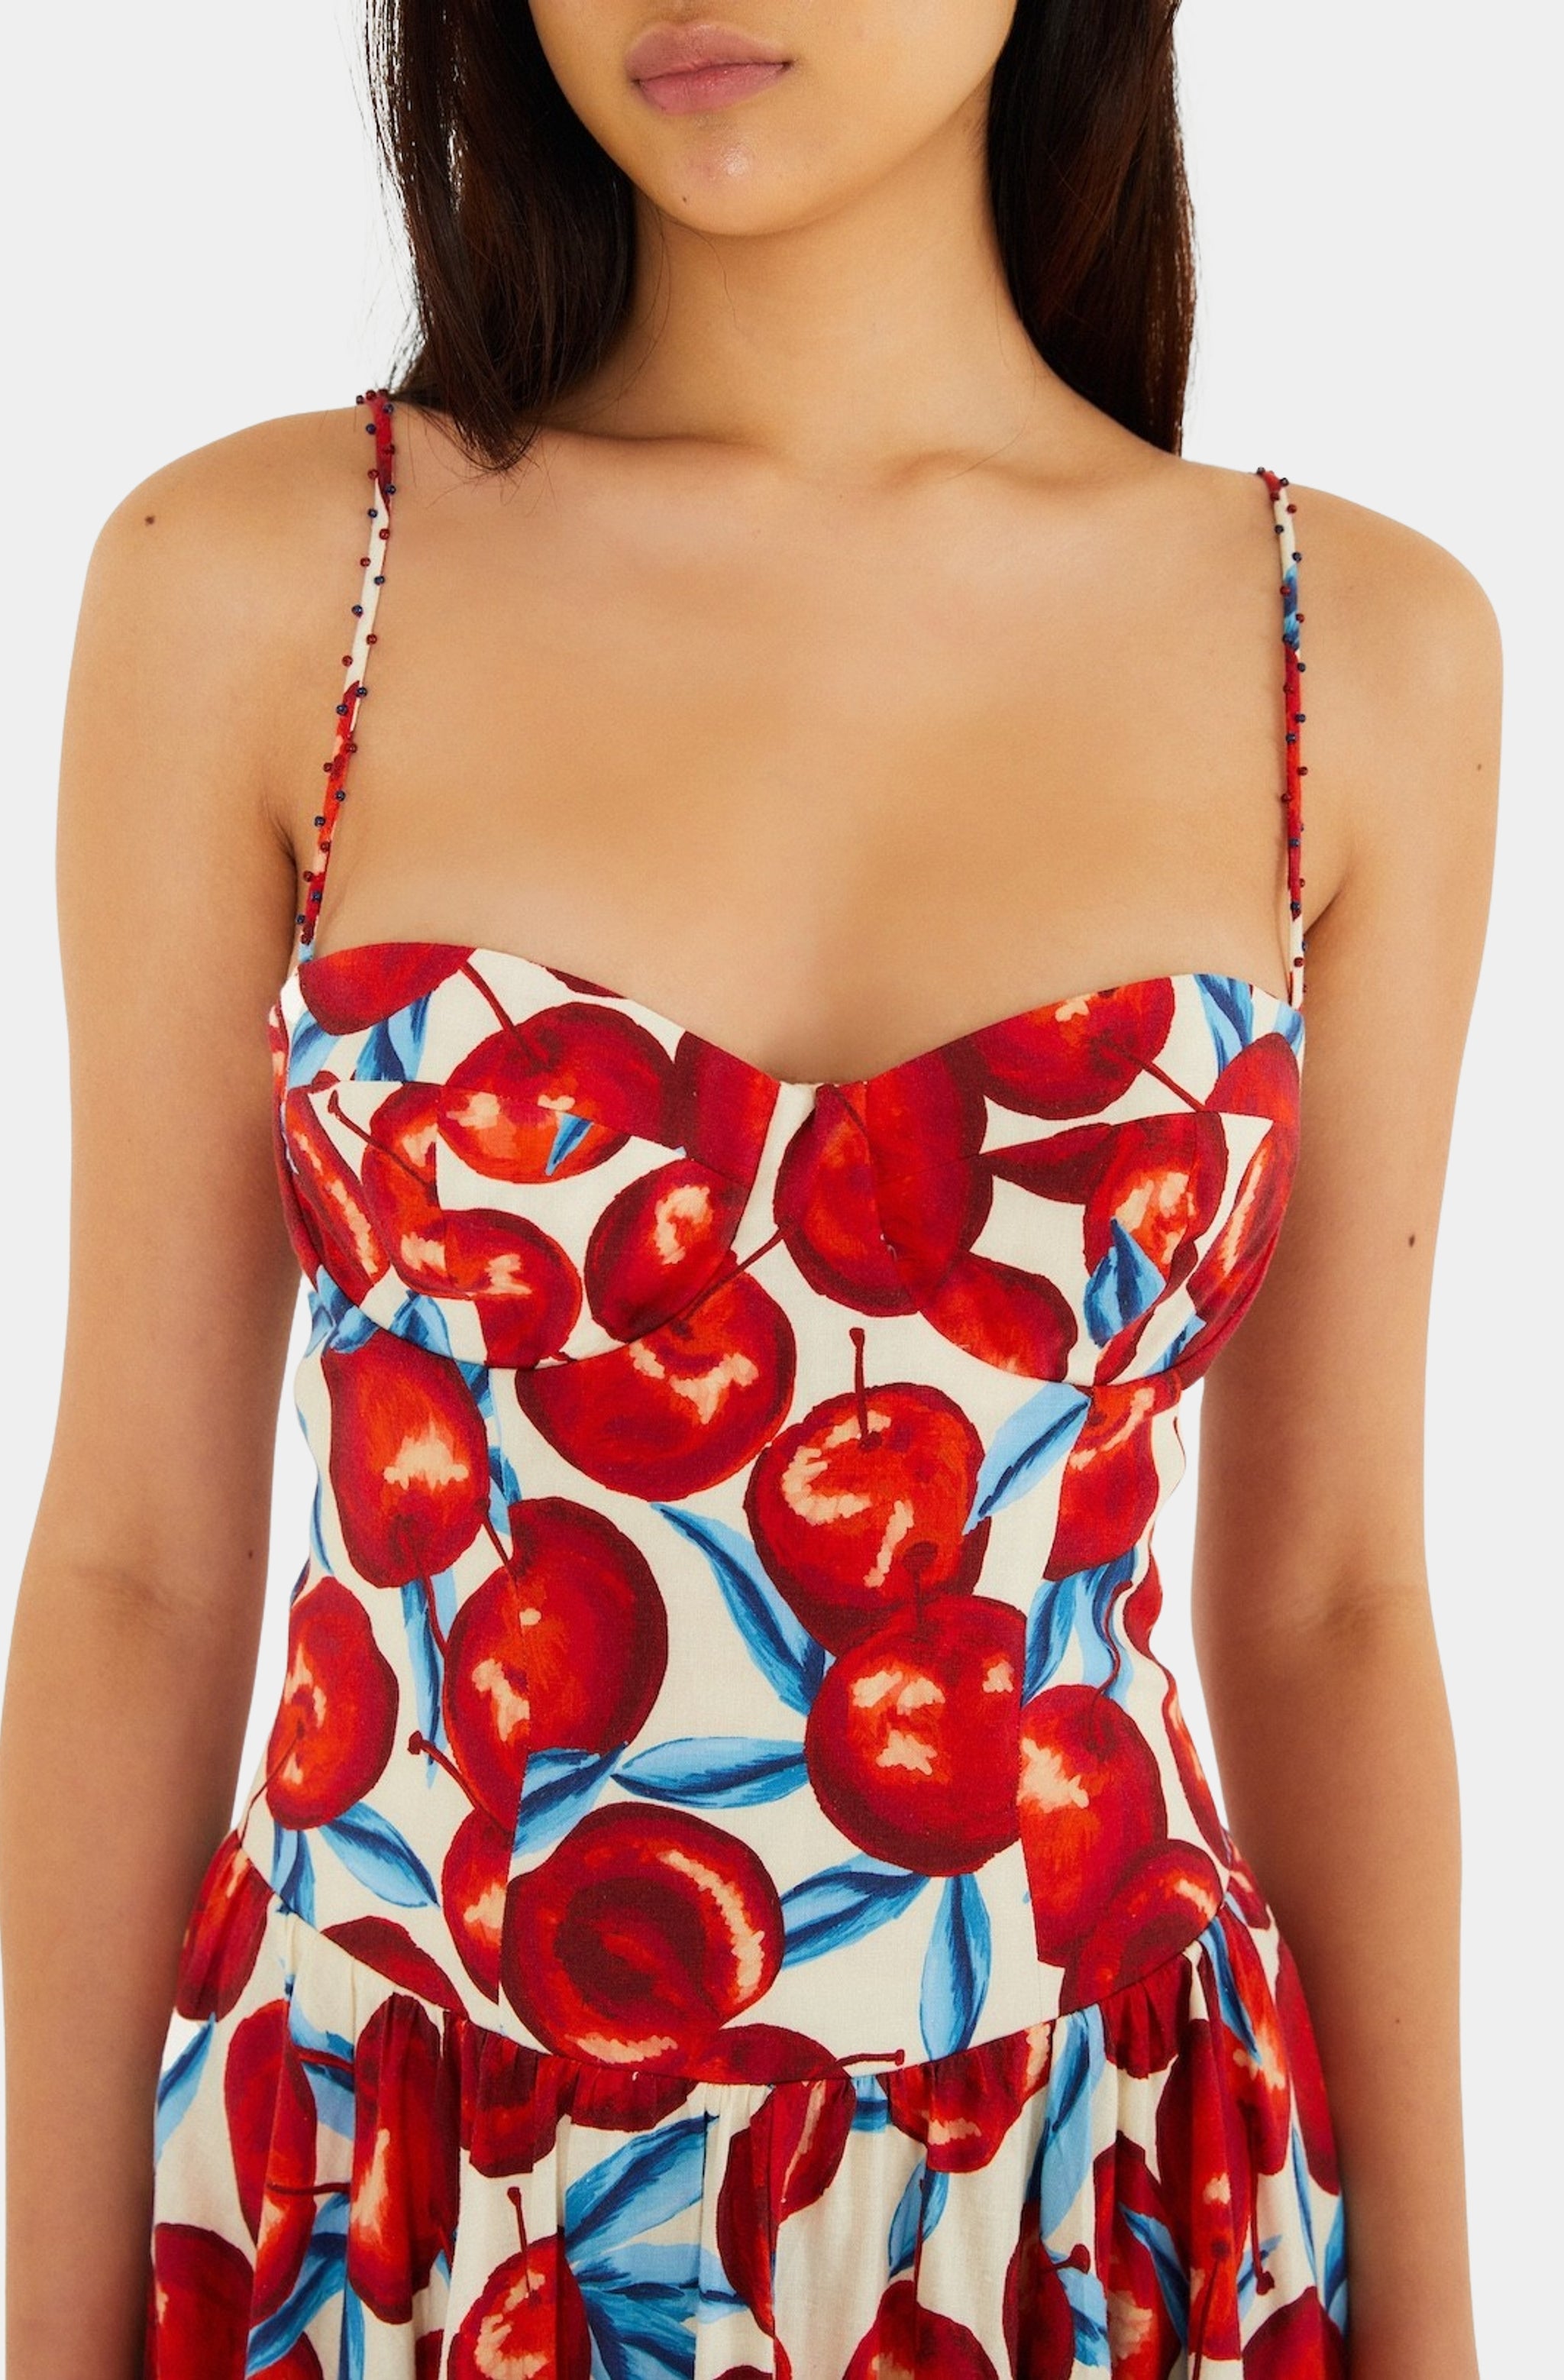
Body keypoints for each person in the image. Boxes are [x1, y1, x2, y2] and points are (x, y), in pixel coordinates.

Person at [0, 4, 1499, 2375]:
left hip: (1098, 2217)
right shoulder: (272, 586)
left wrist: (1441, 2331)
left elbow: (1329, 1601)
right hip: (406, 2206)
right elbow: (137, 1569)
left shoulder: (1358, 657)